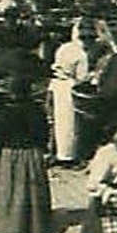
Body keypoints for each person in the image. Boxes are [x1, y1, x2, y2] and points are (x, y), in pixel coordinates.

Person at [0, 73, 54, 233]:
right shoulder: (37, 110)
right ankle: (34, 231)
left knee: (8, 194)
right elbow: (43, 135)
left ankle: (8, 231)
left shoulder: (7, 112)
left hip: (10, 155)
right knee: (31, 194)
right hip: (32, 155)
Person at [49, 20, 98, 165]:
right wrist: (92, 77)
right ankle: (68, 156)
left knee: (57, 121)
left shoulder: (64, 48)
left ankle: (57, 152)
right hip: (69, 87)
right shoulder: (81, 55)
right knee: (70, 124)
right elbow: (81, 78)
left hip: (56, 84)